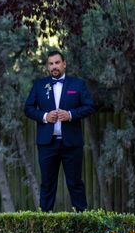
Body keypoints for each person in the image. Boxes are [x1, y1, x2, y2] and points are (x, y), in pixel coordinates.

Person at [24, 50, 95, 212]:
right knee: (47, 184)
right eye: (51, 64)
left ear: (64, 64)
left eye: (57, 63)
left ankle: (82, 221)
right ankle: (44, 223)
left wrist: (70, 114)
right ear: (47, 67)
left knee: (75, 183)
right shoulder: (39, 85)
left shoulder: (77, 84)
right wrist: (44, 116)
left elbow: (89, 106)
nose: (54, 66)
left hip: (71, 143)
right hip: (47, 144)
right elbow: (28, 108)